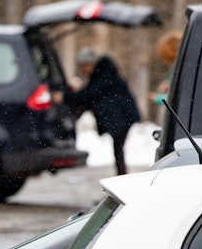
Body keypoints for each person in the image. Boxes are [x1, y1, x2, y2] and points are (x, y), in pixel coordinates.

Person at [52, 47, 140, 175]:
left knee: (118, 149)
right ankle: (121, 175)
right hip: (121, 116)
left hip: (122, 117)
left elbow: (89, 94)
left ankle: (122, 176)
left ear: (90, 64)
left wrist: (64, 97)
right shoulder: (103, 74)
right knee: (118, 149)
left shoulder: (104, 75)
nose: (82, 70)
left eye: (83, 66)